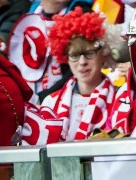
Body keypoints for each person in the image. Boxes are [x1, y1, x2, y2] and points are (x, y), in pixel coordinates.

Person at [43, 9, 120, 141]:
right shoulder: (50, 103)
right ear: (65, 58)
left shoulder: (121, 99)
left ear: (104, 53)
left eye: (89, 53)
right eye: (74, 56)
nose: (82, 62)